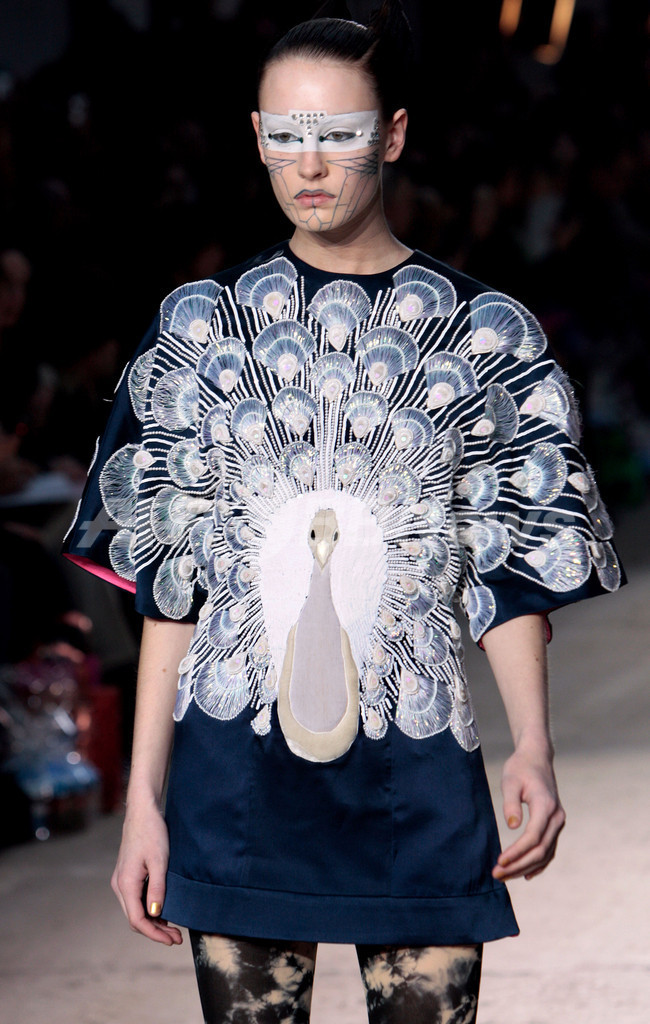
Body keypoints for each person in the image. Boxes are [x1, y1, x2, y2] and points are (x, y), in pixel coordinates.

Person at [62, 4, 624, 1021]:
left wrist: (534, 748)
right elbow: (170, 592)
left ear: (393, 135)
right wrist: (142, 801)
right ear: (256, 137)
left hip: (419, 780)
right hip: (233, 785)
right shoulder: (199, 333)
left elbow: (503, 569)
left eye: (338, 133)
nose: (310, 163)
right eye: (286, 134)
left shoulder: (479, 338)